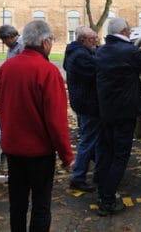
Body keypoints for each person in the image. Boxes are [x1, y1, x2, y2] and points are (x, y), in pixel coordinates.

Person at [0, 20, 74, 231]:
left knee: (17, 204)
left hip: (13, 148)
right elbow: (56, 121)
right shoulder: (48, 71)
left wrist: (7, 137)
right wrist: (67, 156)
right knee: (40, 205)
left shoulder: (6, 68)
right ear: (46, 42)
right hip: (39, 151)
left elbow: (0, 109)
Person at [94, 17, 141, 216]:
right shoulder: (129, 51)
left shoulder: (102, 51)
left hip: (106, 109)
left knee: (107, 151)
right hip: (125, 111)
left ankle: (102, 190)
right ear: (124, 31)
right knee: (121, 155)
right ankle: (107, 200)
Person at [63, 26, 101, 193]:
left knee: (89, 137)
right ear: (83, 40)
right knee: (88, 139)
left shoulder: (75, 52)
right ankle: (78, 177)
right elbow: (97, 72)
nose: (97, 41)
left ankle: (92, 168)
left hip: (82, 102)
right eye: (93, 39)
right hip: (88, 103)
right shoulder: (81, 56)